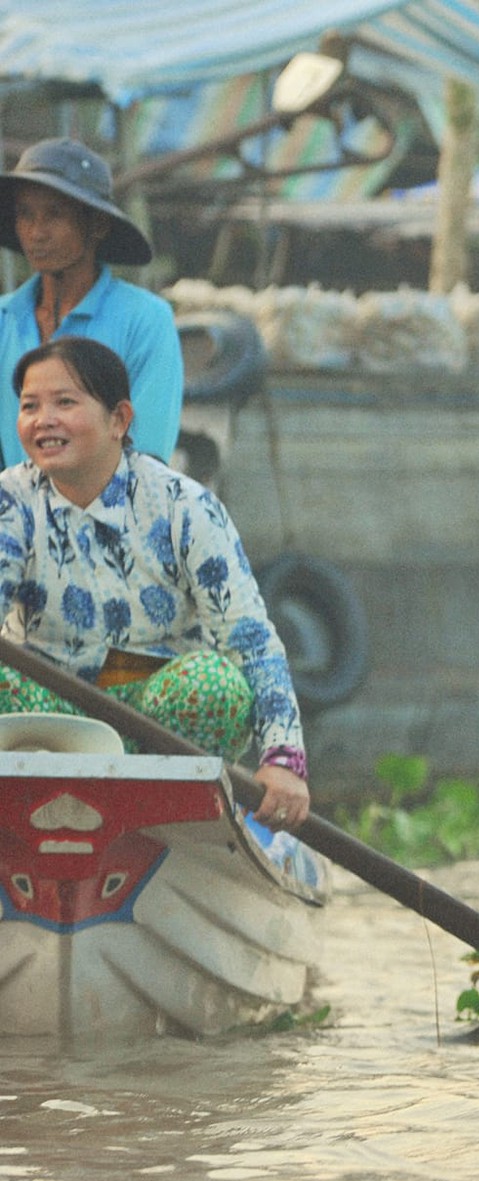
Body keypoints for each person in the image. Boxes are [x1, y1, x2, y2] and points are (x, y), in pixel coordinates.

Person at [0, 337, 309, 830]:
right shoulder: (10, 499)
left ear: (119, 420)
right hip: (48, 700)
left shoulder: (182, 505)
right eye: (30, 406)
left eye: (64, 403)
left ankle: (160, 815)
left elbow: (248, 637)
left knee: (216, 686)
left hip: (152, 698)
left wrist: (283, 757)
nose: (44, 420)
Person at [0, 138, 181, 468]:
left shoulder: (145, 319)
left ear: (97, 225)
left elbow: (147, 455)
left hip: (114, 513)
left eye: (54, 214)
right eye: (26, 215)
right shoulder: (4, 319)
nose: (36, 232)